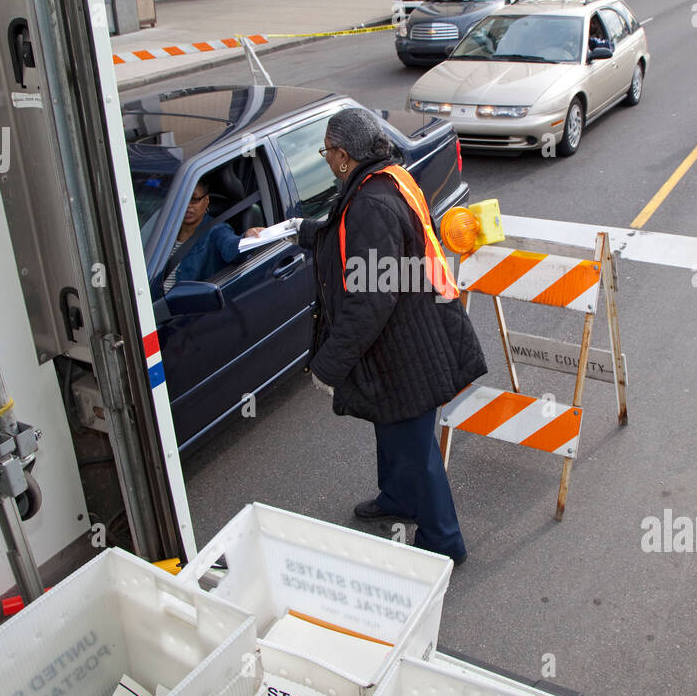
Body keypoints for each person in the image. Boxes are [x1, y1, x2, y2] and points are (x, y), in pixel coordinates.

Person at [298, 108, 487, 564]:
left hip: (407, 347)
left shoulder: (372, 203)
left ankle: (443, 542)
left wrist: (328, 365)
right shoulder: (387, 178)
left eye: (327, 152)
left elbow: (371, 301)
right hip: (413, 331)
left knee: (417, 448)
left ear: (344, 156)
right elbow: (357, 246)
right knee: (393, 429)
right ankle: (398, 499)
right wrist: (302, 233)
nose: (326, 159)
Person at [162, 177, 263, 291]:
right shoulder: (166, 227)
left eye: (194, 199)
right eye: (184, 199)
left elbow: (230, 247)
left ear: (206, 200)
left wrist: (246, 238)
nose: (188, 205)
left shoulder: (216, 230)